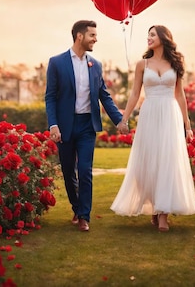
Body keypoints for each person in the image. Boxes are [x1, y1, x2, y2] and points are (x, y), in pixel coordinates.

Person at [111, 25, 195, 231]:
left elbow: (180, 95)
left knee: (167, 161)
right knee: (149, 161)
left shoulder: (175, 63)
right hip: (149, 113)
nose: (148, 38)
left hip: (170, 114)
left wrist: (188, 126)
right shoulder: (142, 64)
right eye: (147, 35)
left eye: (152, 35)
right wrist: (124, 119)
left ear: (163, 37)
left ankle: (163, 216)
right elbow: (134, 94)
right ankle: (154, 206)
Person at [45, 20, 124, 232]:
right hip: (65, 125)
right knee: (68, 170)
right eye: (92, 35)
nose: (95, 39)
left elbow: (104, 96)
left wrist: (119, 120)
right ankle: (76, 206)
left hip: (87, 125)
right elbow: (50, 97)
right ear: (80, 36)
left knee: (85, 170)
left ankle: (84, 216)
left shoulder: (96, 65)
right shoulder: (56, 63)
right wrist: (53, 125)